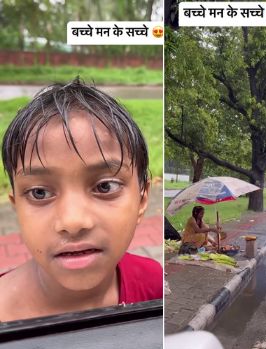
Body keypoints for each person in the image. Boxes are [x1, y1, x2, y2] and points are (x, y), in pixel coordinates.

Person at [0, 79, 163, 322]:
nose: (73, 221)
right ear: (17, 209)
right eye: (39, 193)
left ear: (142, 200)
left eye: (105, 186)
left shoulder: (154, 284)